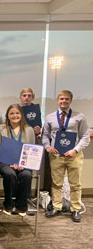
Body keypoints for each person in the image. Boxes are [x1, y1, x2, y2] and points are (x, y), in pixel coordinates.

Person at [43, 90, 90, 223]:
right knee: (56, 183)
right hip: (56, 155)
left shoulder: (79, 117)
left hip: (73, 155)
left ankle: (75, 208)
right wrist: (47, 147)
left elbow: (85, 136)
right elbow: (45, 135)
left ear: (70, 100)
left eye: (66, 99)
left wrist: (75, 150)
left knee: (75, 184)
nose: (64, 101)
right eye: (61, 99)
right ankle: (57, 206)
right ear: (58, 100)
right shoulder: (50, 117)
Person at [0, 104, 35, 216]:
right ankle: (8, 204)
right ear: (7, 115)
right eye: (11, 113)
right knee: (10, 174)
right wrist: (9, 162)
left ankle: (21, 206)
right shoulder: (0, 129)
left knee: (26, 175)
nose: (14, 115)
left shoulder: (29, 130)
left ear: (21, 115)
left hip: (23, 163)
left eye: (17, 113)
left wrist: (22, 163)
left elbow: (31, 150)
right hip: (3, 162)